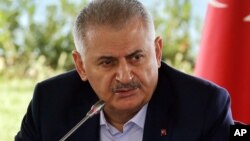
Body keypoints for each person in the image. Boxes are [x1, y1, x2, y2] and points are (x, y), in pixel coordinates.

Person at [15, 0, 234, 140]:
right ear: (81, 66)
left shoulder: (204, 105)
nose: (125, 76)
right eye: (107, 62)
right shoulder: (49, 103)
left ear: (157, 52)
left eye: (136, 57)